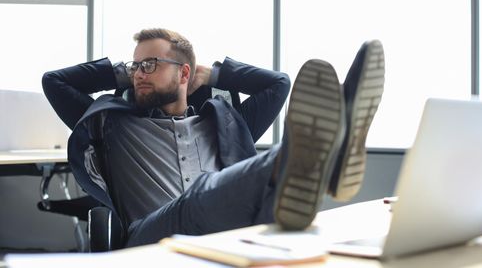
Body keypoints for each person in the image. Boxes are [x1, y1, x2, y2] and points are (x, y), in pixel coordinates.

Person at [42, 28, 385, 247]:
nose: (139, 74)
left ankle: (320, 156)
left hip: (227, 230)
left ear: (185, 73)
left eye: (151, 64)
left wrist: (215, 73)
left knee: (275, 207)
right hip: (152, 236)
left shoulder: (224, 122)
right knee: (200, 196)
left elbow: (278, 84)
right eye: (135, 67)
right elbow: (54, 82)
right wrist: (123, 72)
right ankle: (330, 152)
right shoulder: (112, 125)